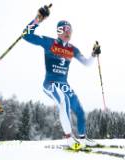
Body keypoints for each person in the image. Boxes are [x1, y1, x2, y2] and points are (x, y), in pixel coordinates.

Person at [23, 5, 101, 149]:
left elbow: (86, 63)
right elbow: (26, 36)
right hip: (50, 83)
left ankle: (83, 139)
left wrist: (93, 54)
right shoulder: (49, 43)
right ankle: (69, 138)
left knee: (79, 109)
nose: (67, 32)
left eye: (69, 30)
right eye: (64, 30)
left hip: (63, 83)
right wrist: (37, 19)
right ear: (58, 31)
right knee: (63, 100)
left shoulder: (72, 49)